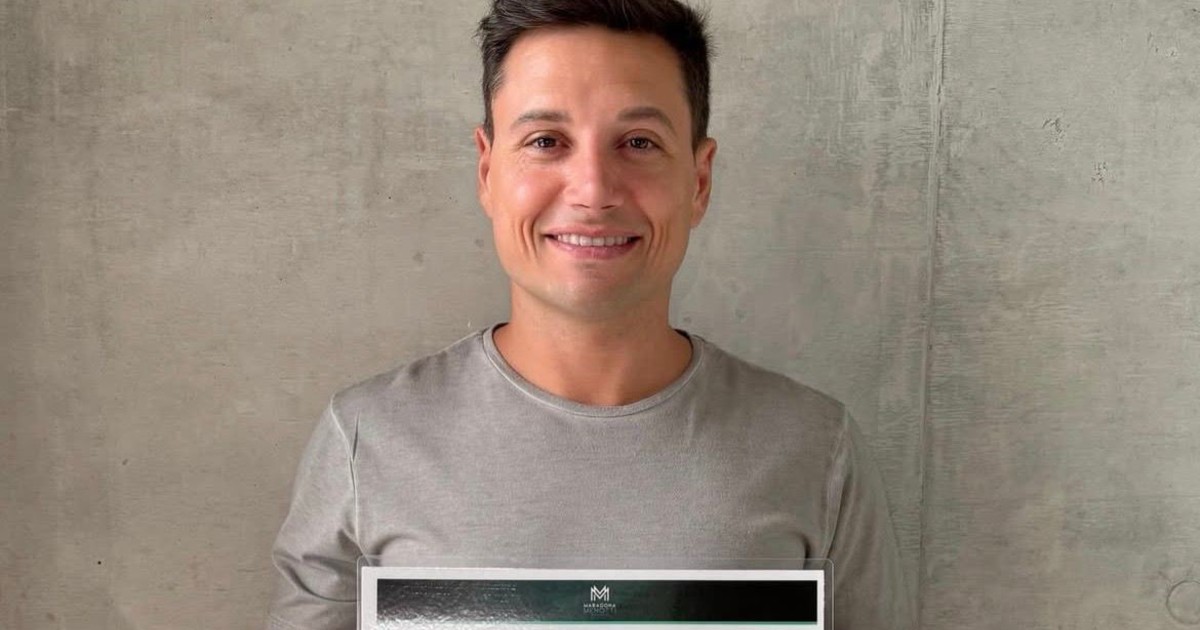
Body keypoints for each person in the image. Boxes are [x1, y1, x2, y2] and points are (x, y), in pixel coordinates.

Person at [267, 0, 914, 628]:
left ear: (698, 180)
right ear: (488, 171)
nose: (594, 190)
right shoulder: (367, 440)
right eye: (547, 141)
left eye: (638, 142)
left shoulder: (814, 448)